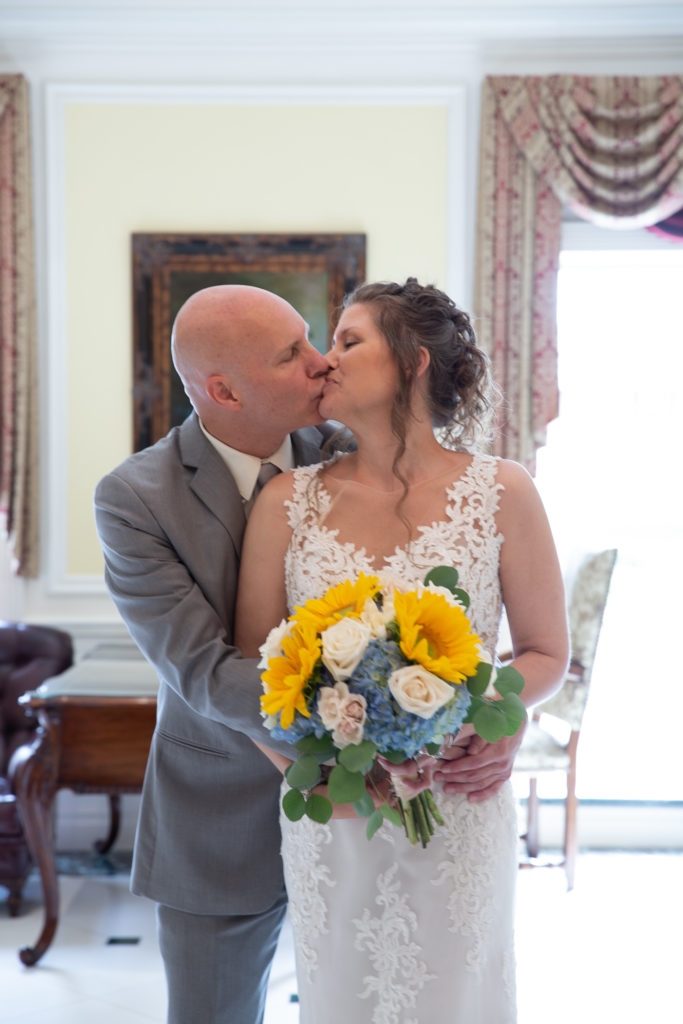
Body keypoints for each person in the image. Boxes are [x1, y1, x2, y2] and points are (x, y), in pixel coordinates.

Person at [235, 278, 569, 1023]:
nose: (325, 360)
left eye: (349, 340)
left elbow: (544, 653)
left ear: (414, 362)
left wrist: (498, 721)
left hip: (458, 799)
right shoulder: (286, 500)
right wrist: (315, 776)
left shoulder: (502, 492)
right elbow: (254, 677)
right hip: (334, 814)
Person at [94, 284, 334, 1024]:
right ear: (224, 390)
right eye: (291, 353)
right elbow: (202, 670)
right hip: (217, 817)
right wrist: (347, 742)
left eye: (311, 339)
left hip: (376, 817)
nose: (320, 363)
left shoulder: (355, 457)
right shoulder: (134, 499)